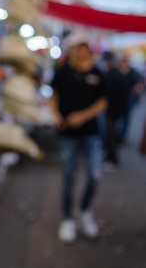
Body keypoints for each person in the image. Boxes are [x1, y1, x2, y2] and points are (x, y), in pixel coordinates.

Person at [50, 40, 107, 244]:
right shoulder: (63, 72)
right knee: (69, 176)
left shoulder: (97, 73)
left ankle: (84, 211)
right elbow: (52, 96)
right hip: (68, 135)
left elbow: (102, 102)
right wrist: (57, 115)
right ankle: (67, 218)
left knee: (94, 174)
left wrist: (82, 116)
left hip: (90, 133)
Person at [101, 51, 129, 168]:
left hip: (111, 109)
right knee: (111, 133)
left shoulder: (110, 76)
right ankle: (109, 156)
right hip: (118, 108)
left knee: (110, 134)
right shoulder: (119, 74)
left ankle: (112, 158)